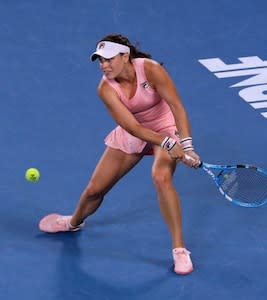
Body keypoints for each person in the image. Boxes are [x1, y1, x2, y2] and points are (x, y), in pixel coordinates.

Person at [38, 33, 200, 276]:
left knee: (161, 178)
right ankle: (73, 222)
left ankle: (179, 249)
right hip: (137, 131)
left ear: (125, 56)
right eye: (100, 61)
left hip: (166, 125)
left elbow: (177, 106)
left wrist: (185, 145)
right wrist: (167, 143)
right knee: (94, 189)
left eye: (109, 59)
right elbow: (133, 128)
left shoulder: (151, 69)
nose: (104, 65)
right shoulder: (105, 89)